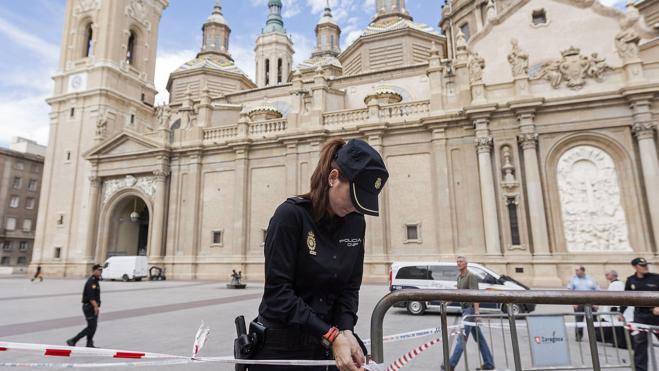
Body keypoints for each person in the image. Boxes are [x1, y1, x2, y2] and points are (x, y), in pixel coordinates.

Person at [250, 139, 388, 371]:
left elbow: (350, 287)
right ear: (333, 178)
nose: (357, 207)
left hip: (329, 346)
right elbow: (278, 295)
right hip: (282, 349)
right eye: (355, 198)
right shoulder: (291, 216)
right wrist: (332, 335)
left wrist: (346, 330)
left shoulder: (355, 222)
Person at [442, 256, 495, 371]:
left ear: (466, 264)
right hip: (465, 310)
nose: (458, 263)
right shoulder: (459, 277)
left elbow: (475, 294)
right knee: (479, 339)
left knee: (462, 337)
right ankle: (489, 363)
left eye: (461, 261)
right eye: (457, 262)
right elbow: (458, 293)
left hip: (470, 311)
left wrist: (476, 313)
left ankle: (451, 365)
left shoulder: (471, 276)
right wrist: (448, 301)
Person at [621, 257, 659, 371]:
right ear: (635, 267)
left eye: (646, 265)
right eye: (642, 266)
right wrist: (620, 312)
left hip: (657, 315)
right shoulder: (631, 280)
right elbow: (626, 298)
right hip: (640, 315)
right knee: (639, 344)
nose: (645, 267)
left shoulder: (656, 278)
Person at [67, 264, 102, 348]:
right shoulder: (92, 281)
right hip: (89, 307)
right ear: (94, 271)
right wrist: (95, 307)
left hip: (92, 306)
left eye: (101, 270)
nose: (100, 272)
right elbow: (91, 297)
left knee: (93, 326)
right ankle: (73, 340)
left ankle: (89, 343)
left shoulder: (96, 281)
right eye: (98, 270)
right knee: (91, 326)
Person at [567, 265, 598, 341]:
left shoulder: (591, 279)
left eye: (577, 270)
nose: (576, 272)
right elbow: (570, 291)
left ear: (583, 271)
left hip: (591, 302)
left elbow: (597, 290)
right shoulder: (573, 279)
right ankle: (578, 336)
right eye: (576, 270)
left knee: (593, 320)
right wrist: (573, 303)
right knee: (578, 320)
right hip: (578, 302)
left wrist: (596, 303)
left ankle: (596, 336)